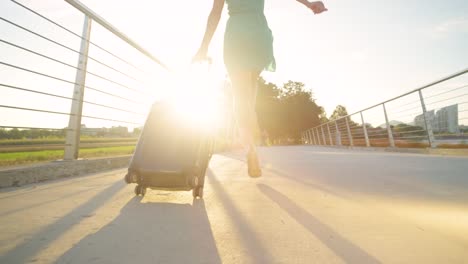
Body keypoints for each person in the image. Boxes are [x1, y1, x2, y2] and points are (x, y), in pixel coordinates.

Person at [193, 0, 327, 177]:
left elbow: (215, 14)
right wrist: (309, 5)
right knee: (249, 92)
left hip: (237, 35)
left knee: (240, 97)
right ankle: (252, 120)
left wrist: (203, 47)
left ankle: (250, 147)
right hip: (258, 34)